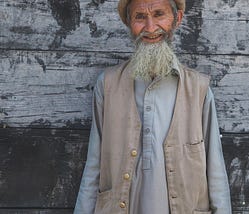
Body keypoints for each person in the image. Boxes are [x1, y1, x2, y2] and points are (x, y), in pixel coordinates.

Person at [74, 0, 232, 213]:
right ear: (129, 23)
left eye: (159, 14)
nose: (150, 28)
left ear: (177, 19)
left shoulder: (198, 89)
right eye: (140, 17)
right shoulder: (108, 85)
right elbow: (94, 166)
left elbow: (216, 172)